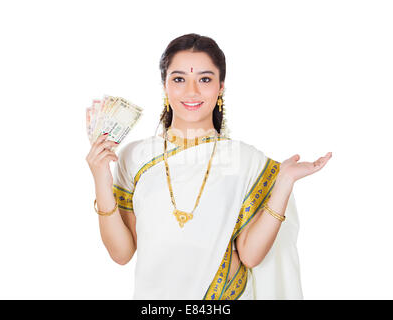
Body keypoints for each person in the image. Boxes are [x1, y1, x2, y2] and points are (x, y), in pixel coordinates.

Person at [86, 33, 332, 300]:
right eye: (179, 79)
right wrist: (101, 177)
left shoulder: (245, 160)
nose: (191, 91)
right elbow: (121, 254)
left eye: (205, 79)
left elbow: (250, 255)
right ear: (165, 85)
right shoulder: (136, 157)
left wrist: (284, 182)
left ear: (221, 87)